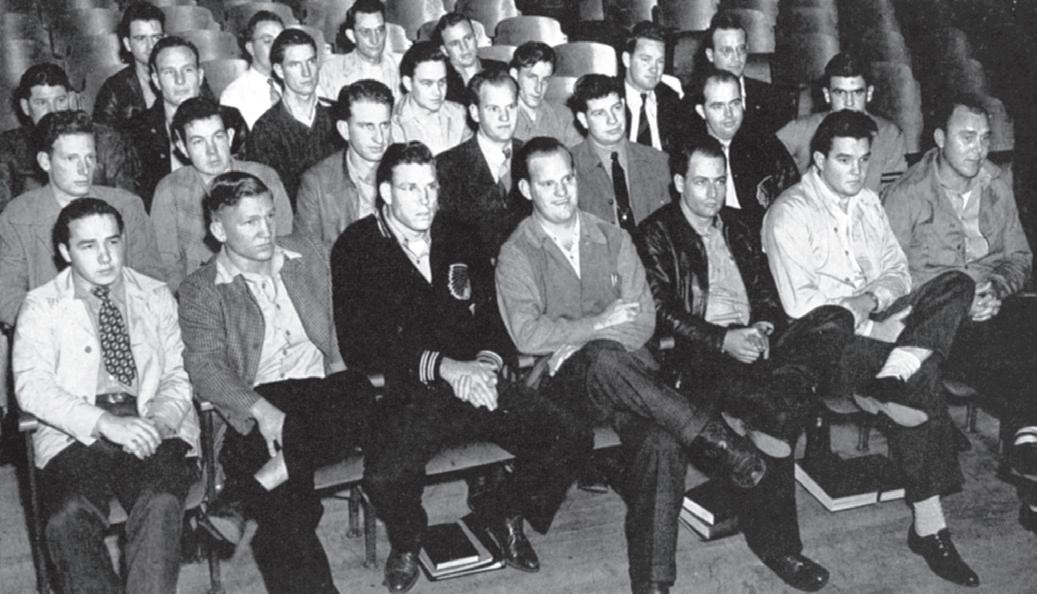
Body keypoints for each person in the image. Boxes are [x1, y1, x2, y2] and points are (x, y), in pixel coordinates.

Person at [496, 136, 767, 594]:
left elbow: (642, 321)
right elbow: (527, 335)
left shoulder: (612, 236)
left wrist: (580, 337)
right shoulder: (517, 252)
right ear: (526, 189)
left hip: (630, 380)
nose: (562, 192)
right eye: (547, 184)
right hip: (565, 392)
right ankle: (715, 440)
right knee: (601, 358)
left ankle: (654, 584)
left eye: (568, 179)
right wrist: (598, 325)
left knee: (663, 441)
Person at [330, 141, 588, 593]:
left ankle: (504, 510)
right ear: (386, 193)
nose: (425, 200)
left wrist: (485, 363)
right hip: (410, 393)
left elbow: (493, 314)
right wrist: (445, 368)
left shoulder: (458, 232)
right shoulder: (357, 246)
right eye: (411, 189)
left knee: (570, 437)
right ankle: (408, 541)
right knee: (385, 476)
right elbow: (362, 345)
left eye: (431, 187)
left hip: (479, 381)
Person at [763, 110, 979, 587]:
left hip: (880, 325)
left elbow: (898, 273)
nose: (858, 171)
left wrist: (877, 305)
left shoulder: (867, 203)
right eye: (845, 160)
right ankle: (930, 527)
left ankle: (895, 369)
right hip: (824, 346)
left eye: (864, 159)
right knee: (920, 372)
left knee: (956, 285)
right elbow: (801, 306)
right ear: (819, 161)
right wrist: (868, 318)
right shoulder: (789, 213)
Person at [638, 136, 847, 591]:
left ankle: (783, 394)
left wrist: (764, 326)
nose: (712, 193)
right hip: (700, 354)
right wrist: (724, 340)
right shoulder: (656, 232)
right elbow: (661, 311)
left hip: (755, 340)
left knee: (834, 319)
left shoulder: (737, 223)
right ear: (679, 182)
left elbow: (766, 288)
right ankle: (781, 548)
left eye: (719, 181)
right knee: (776, 408)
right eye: (701, 182)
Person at [179, 171, 376, 594]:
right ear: (219, 230)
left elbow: (347, 328)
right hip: (256, 409)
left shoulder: (309, 254)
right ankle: (261, 494)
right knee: (286, 509)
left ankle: (244, 494)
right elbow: (206, 369)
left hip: (324, 396)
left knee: (357, 389)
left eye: (269, 216)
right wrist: (264, 411)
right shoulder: (201, 289)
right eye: (250, 221)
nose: (266, 230)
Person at [13, 197, 199, 594]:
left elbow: (179, 373)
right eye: (88, 245)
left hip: (150, 420)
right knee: (68, 517)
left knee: (161, 502)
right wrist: (104, 423)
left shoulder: (155, 294)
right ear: (65, 251)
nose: (105, 257)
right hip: (77, 432)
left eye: (113, 242)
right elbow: (33, 387)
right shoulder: (41, 305)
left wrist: (159, 421)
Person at [882, 95, 1037, 532]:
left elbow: (1020, 257)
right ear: (939, 138)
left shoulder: (996, 185)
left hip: (994, 302)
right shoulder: (907, 195)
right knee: (1013, 354)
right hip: (939, 320)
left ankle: (1028, 448)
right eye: (967, 137)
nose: (979, 149)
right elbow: (891, 278)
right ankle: (1027, 444)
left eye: (985, 138)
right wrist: (961, 300)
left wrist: (996, 288)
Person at [0, 110, 163, 329]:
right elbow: (7, 293)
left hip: (122, 327)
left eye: (90, 157)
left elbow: (151, 279)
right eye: (71, 158)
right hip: (49, 334)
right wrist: (56, 326)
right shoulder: (18, 216)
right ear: (45, 161)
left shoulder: (127, 206)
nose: (84, 169)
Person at [151, 97, 293, 291]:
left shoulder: (265, 178)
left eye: (218, 137)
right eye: (198, 142)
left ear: (230, 136)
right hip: (198, 295)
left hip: (264, 287)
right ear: (183, 148)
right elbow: (165, 264)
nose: (212, 151)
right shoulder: (169, 190)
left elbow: (285, 245)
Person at [127, 36, 249, 212]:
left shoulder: (230, 119)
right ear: (156, 80)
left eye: (188, 70)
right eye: (169, 72)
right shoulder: (137, 130)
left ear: (200, 76)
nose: (180, 80)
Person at [0, 63, 141, 209]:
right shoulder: (8, 147)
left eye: (60, 100)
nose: (52, 110)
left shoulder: (105, 140)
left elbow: (126, 204)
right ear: (25, 107)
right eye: (41, 103)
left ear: (72, 100)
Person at [778, 53, 907, 192]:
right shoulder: (800, 129)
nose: (849, 103)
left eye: (857, 93)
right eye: (839, 93)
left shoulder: (889, 135)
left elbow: (892, 195)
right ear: (827, 95)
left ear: (869, 93)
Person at [691, 67, 799, 232]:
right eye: (718, 106)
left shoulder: (764, 144)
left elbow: (794, 194)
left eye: (735, 103)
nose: (729, 114)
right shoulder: (690, 153)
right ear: (701, 111)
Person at [437, 69, 529, 261]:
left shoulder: (533, 158)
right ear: (474, 112)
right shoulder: (447, 167)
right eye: (494, 109)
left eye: (510, 107)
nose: (505, 117)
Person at [246, 28, 341, 206]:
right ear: (279, 70)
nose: (307, 72)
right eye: (295, 65)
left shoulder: (338, 116)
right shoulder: (266, 130)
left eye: (311, 62)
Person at [568, 74, 671, 238]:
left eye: (616, 108)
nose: (613, 120)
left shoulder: (658, 162)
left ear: (624, 105)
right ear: (583, 119)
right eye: (600, 113)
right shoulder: (568, 167)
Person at [296, 79, 393, 250]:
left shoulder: (409, 170)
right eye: (368, 126)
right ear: (344, 130)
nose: (379, 138)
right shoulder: (317, 183)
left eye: (384, 125)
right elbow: (308, 254)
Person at [702, 11, 795, 135]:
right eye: (727, 51)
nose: (736, 57)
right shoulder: (694, 99)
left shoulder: (773, 98)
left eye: (741, 49)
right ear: (710, 55)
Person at [390, 41, 471, 155]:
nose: (437, 92)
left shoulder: (459, 114)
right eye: (427, 83)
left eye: (441, 82)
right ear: (408, 83)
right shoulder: (392, 123)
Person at [93, 2, 165, 128]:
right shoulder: (114, 89)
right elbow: (104, 135)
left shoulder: (183, 78)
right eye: (141, 38)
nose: (150, 46)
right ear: (127, 44)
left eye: (156, 37)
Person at [317, 0, 401, 103]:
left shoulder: (401, 66)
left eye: (380, 30)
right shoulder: (332, 71)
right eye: (366, 32)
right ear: (351, 36)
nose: (375, 40)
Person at [622, 21, 682, 154]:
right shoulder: (610, 99)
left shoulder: (670, 99)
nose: (654, 68)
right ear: (627, 60)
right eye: (645, 59)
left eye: (660, 61)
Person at [220, 10, 287, 128]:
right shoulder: (233, 95)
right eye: (267, 41)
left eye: (280, 41)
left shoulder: (301, 82)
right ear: (251, 48)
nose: (277, 47)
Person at [508, 41, 582, 147]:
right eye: (532, 78)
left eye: (545, 80)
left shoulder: (563, 116)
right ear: (514, 75)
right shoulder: (503, 117)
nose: (538, 88)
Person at [434, 12, 506, 104]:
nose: (464, 47)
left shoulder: (499, 69)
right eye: (455, 43)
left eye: (468, 38)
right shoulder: (441, 83)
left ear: (476, 38)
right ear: (444, 50)